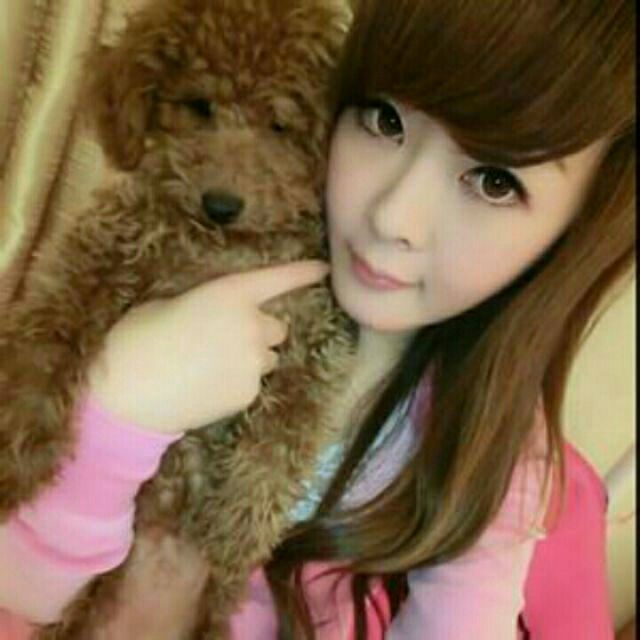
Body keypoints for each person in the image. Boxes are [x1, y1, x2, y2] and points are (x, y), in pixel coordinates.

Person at [0, 0, 635, 637]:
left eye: (494, 182)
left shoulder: (497, 465)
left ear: (581, 227)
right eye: (385, 120)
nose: (393, 217)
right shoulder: (161, 258)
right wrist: (118, 412)